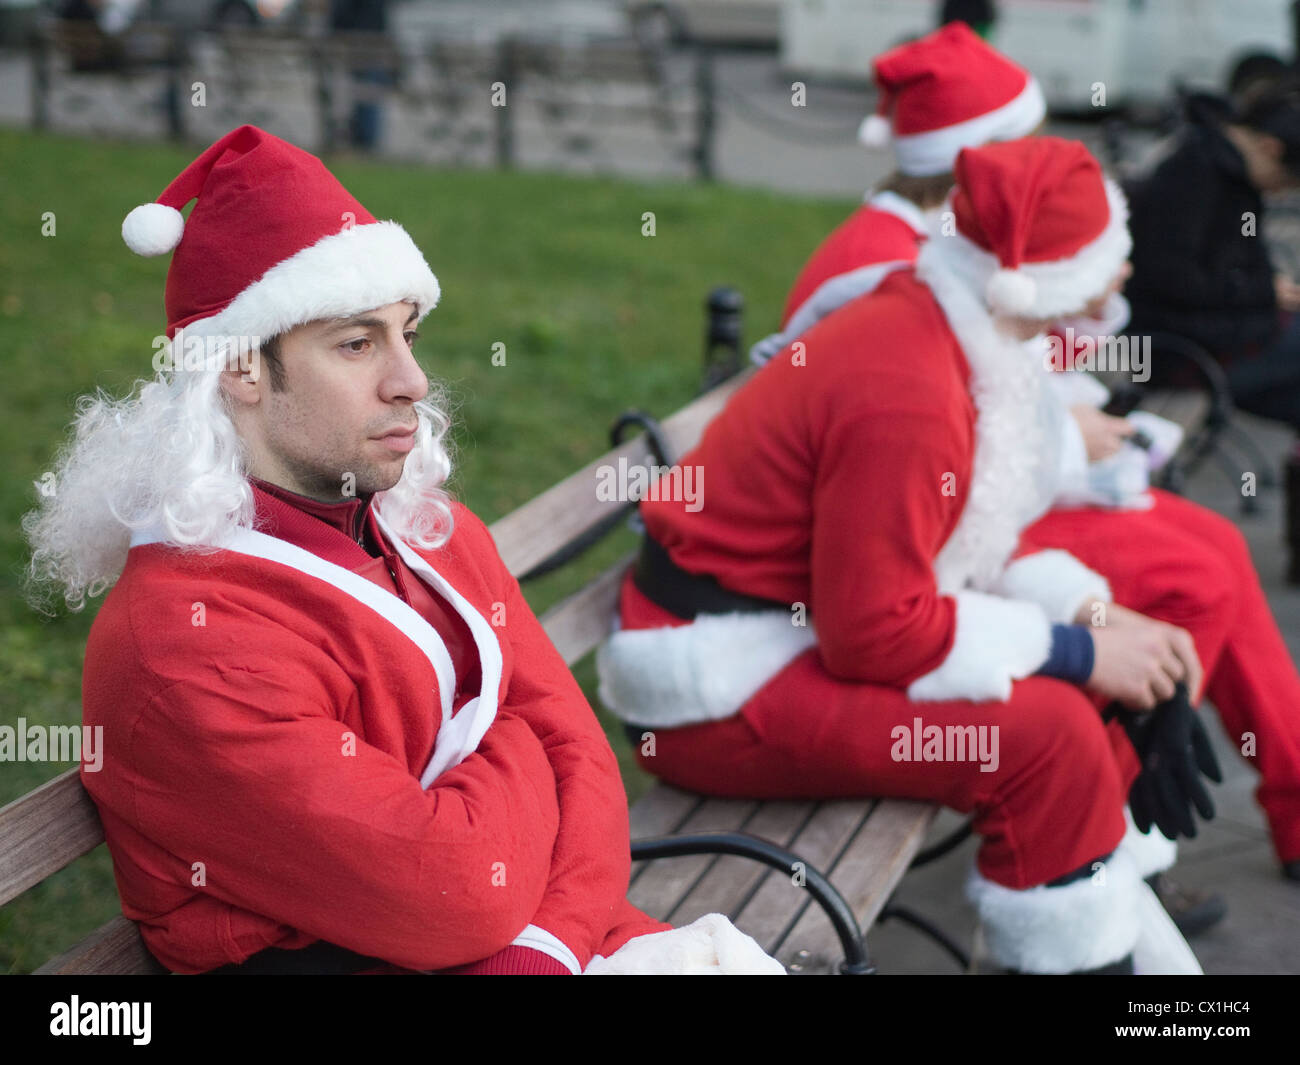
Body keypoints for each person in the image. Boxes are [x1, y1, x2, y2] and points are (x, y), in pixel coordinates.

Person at [22, 124, 782, 976]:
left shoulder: (429, 527)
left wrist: (544, 938)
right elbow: (457, 891)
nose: (411, 381)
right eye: (357, 343)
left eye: (407, 333)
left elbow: (588, 767)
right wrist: (520, 745)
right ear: (240, 368)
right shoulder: (183, 644)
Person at [598, 135, 1213, 974]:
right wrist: (1081, 652)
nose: (1128, 273)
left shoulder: (954, 323)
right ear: (1051, 278)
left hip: (783, 631)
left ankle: (1097, 942)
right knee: (1050, 738)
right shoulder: (913, 387)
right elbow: (873, 634)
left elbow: (965, 543)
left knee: (1078, 709)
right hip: (716, 681)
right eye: (1114, 253)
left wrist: (1096, 618)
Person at [751, 23, 1300, 893]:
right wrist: (1070, 453)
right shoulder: (896, 269)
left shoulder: (938, 256)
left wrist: (1078, 428)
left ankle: (1155, 820)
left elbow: (1004, 390)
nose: (1040, 159)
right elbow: (925, 455)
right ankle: (1122, 832)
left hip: (967, 516)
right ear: (977, 157)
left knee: (1208, 563)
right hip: (938, 532)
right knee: (1197, 575)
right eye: (1020, 141)